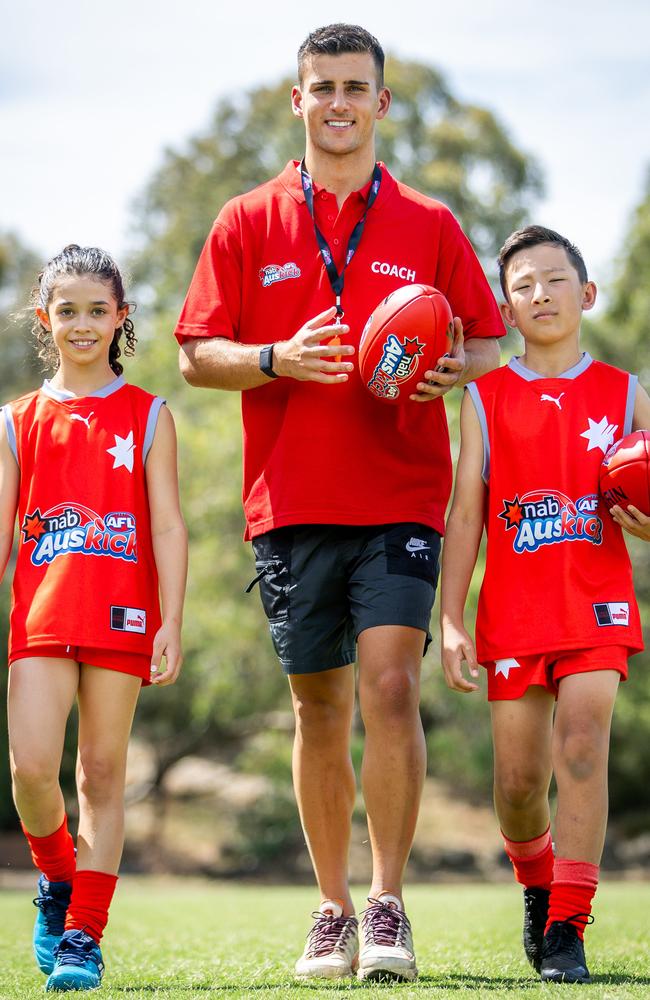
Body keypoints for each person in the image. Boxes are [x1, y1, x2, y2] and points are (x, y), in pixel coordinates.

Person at [175, 23, 502, 982]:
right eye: (323, 87)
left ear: (382, 104)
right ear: (299, 100)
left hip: (402, 496)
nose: (340, 103)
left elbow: (484, 344)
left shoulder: (431, 224)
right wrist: (277, 359)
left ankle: (389, 903)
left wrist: (447, 366)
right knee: (319, 711)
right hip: (291, 503)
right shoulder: (246, 220)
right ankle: (331, 908)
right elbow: (197, 353)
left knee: (391, 689)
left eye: (356, 87)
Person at [440, 225, 650, 983]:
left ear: (586, 294)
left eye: (555, 280)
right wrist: (453, 617)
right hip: (515, 612)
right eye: (523, 285)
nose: (540, 294)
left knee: (583, 748)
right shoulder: (484, 400)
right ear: (507, 307)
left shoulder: (627, 392)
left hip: (597, 604)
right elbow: (465, 514)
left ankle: (568, 924)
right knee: (519, 783)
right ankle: (537, 883)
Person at [1, 245, 187, 992]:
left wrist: (171, 619)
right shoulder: (16, 422)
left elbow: (169, 527)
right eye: (67, 311)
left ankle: (83, 935)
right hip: (41, 619)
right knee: (31, 771)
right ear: (46, 320)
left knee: (101, 774)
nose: (83, 325)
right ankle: (55, 878)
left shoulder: (150, 416)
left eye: (97, 311)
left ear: (121, 318)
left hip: (121, 618)